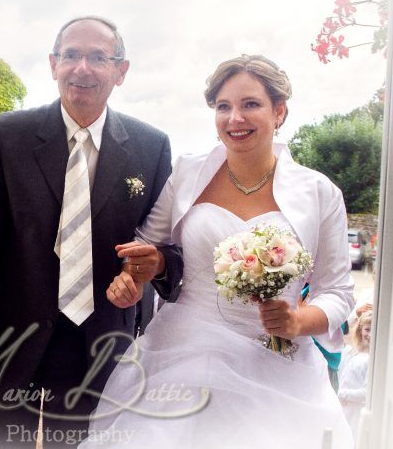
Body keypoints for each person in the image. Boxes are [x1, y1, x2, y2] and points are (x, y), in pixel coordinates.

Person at [82, 55, 355, 448]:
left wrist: (297, 322)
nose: (234, 118)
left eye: (250, 104)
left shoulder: (319, 192)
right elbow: (147, 246)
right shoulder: (189, 173)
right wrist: (131, 276)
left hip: (275, 362)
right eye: (223, 106)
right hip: (182, 351)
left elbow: (338, 293)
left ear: (279, 111)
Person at [0, 16, 180, 448]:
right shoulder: (7, 135)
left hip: (100, 347)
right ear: (54, 64)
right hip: (8, 343)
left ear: (121, 71)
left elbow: (165, 247)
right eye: (71, 55)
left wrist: (144, 272)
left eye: (98, 57)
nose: (82, 68)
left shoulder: (153, 147)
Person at [338, 310, 372, 440]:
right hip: (340, 407)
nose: (370, 334)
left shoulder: (371, 359)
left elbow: (366, 392)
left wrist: (342, 394)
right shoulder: (349, 351)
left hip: (354, 412)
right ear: (360, 330)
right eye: (367, 329)